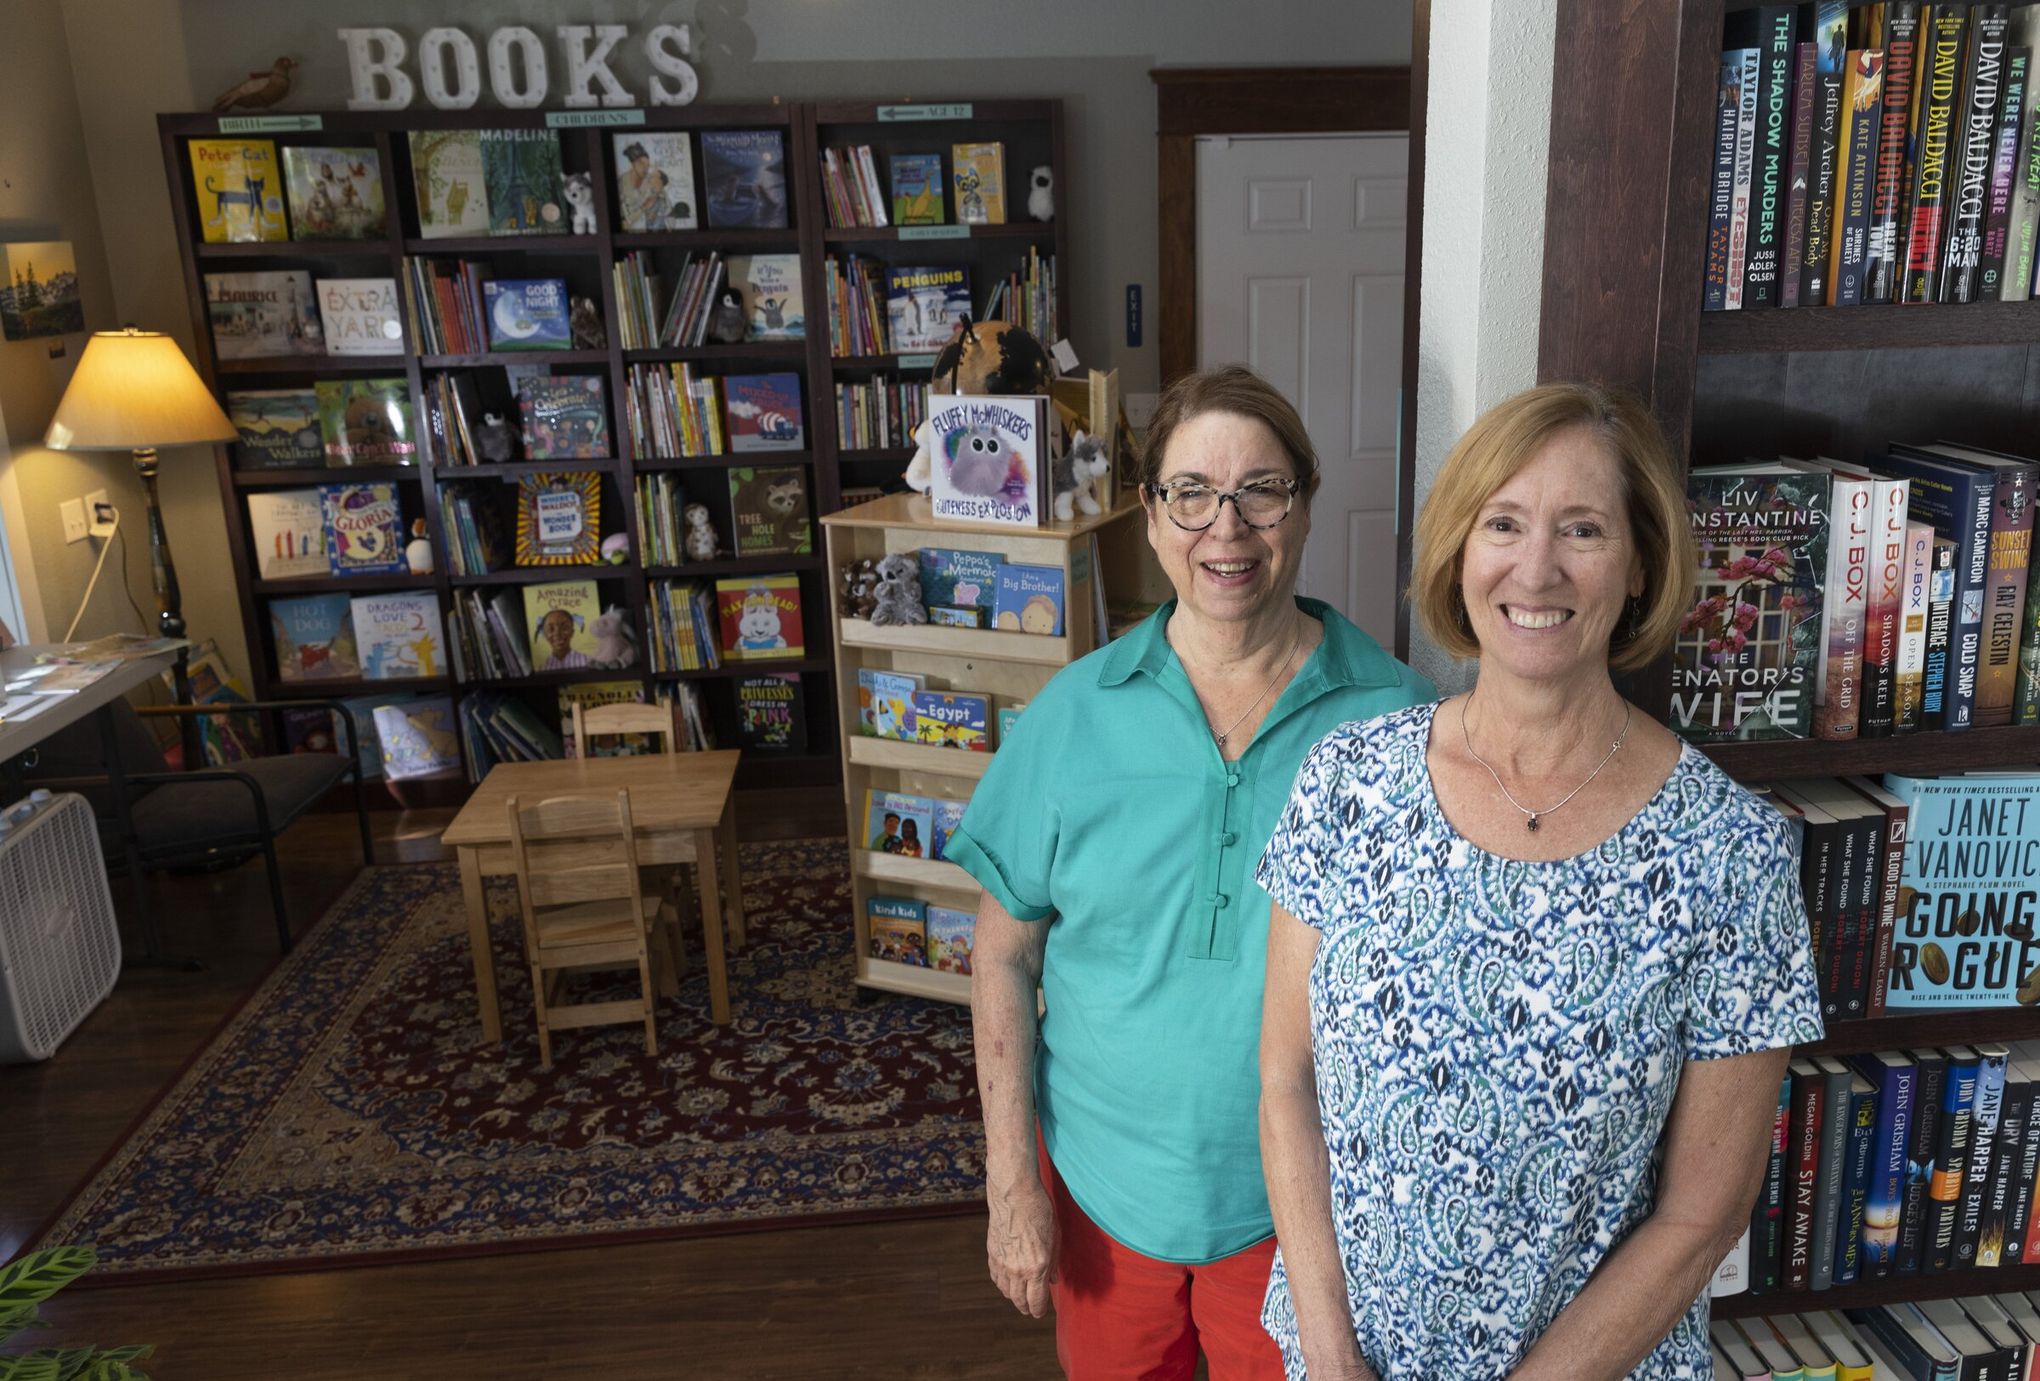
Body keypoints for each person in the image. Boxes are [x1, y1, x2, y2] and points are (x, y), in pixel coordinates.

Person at [1255, 383, 1824, 1380]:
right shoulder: (1346, 780)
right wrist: (1333, 1357)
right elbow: (1284, 1079)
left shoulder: (1734, 854)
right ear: (1458, 551)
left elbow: (1704, 1213)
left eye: (1584, 529)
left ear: (1639, 561)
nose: (1536, 567)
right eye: (1504, 523)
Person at [945, 365, 1433, 1379]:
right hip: (1100, 1186)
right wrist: (1010, 1186)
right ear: (1150, 512)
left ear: (1302, 503)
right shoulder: (1075, 713)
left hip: (1303, 1201)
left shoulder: (1402, 722)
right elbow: (1000, 957)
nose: (1228, 527)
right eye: (1192, 493)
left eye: (1261, 489)